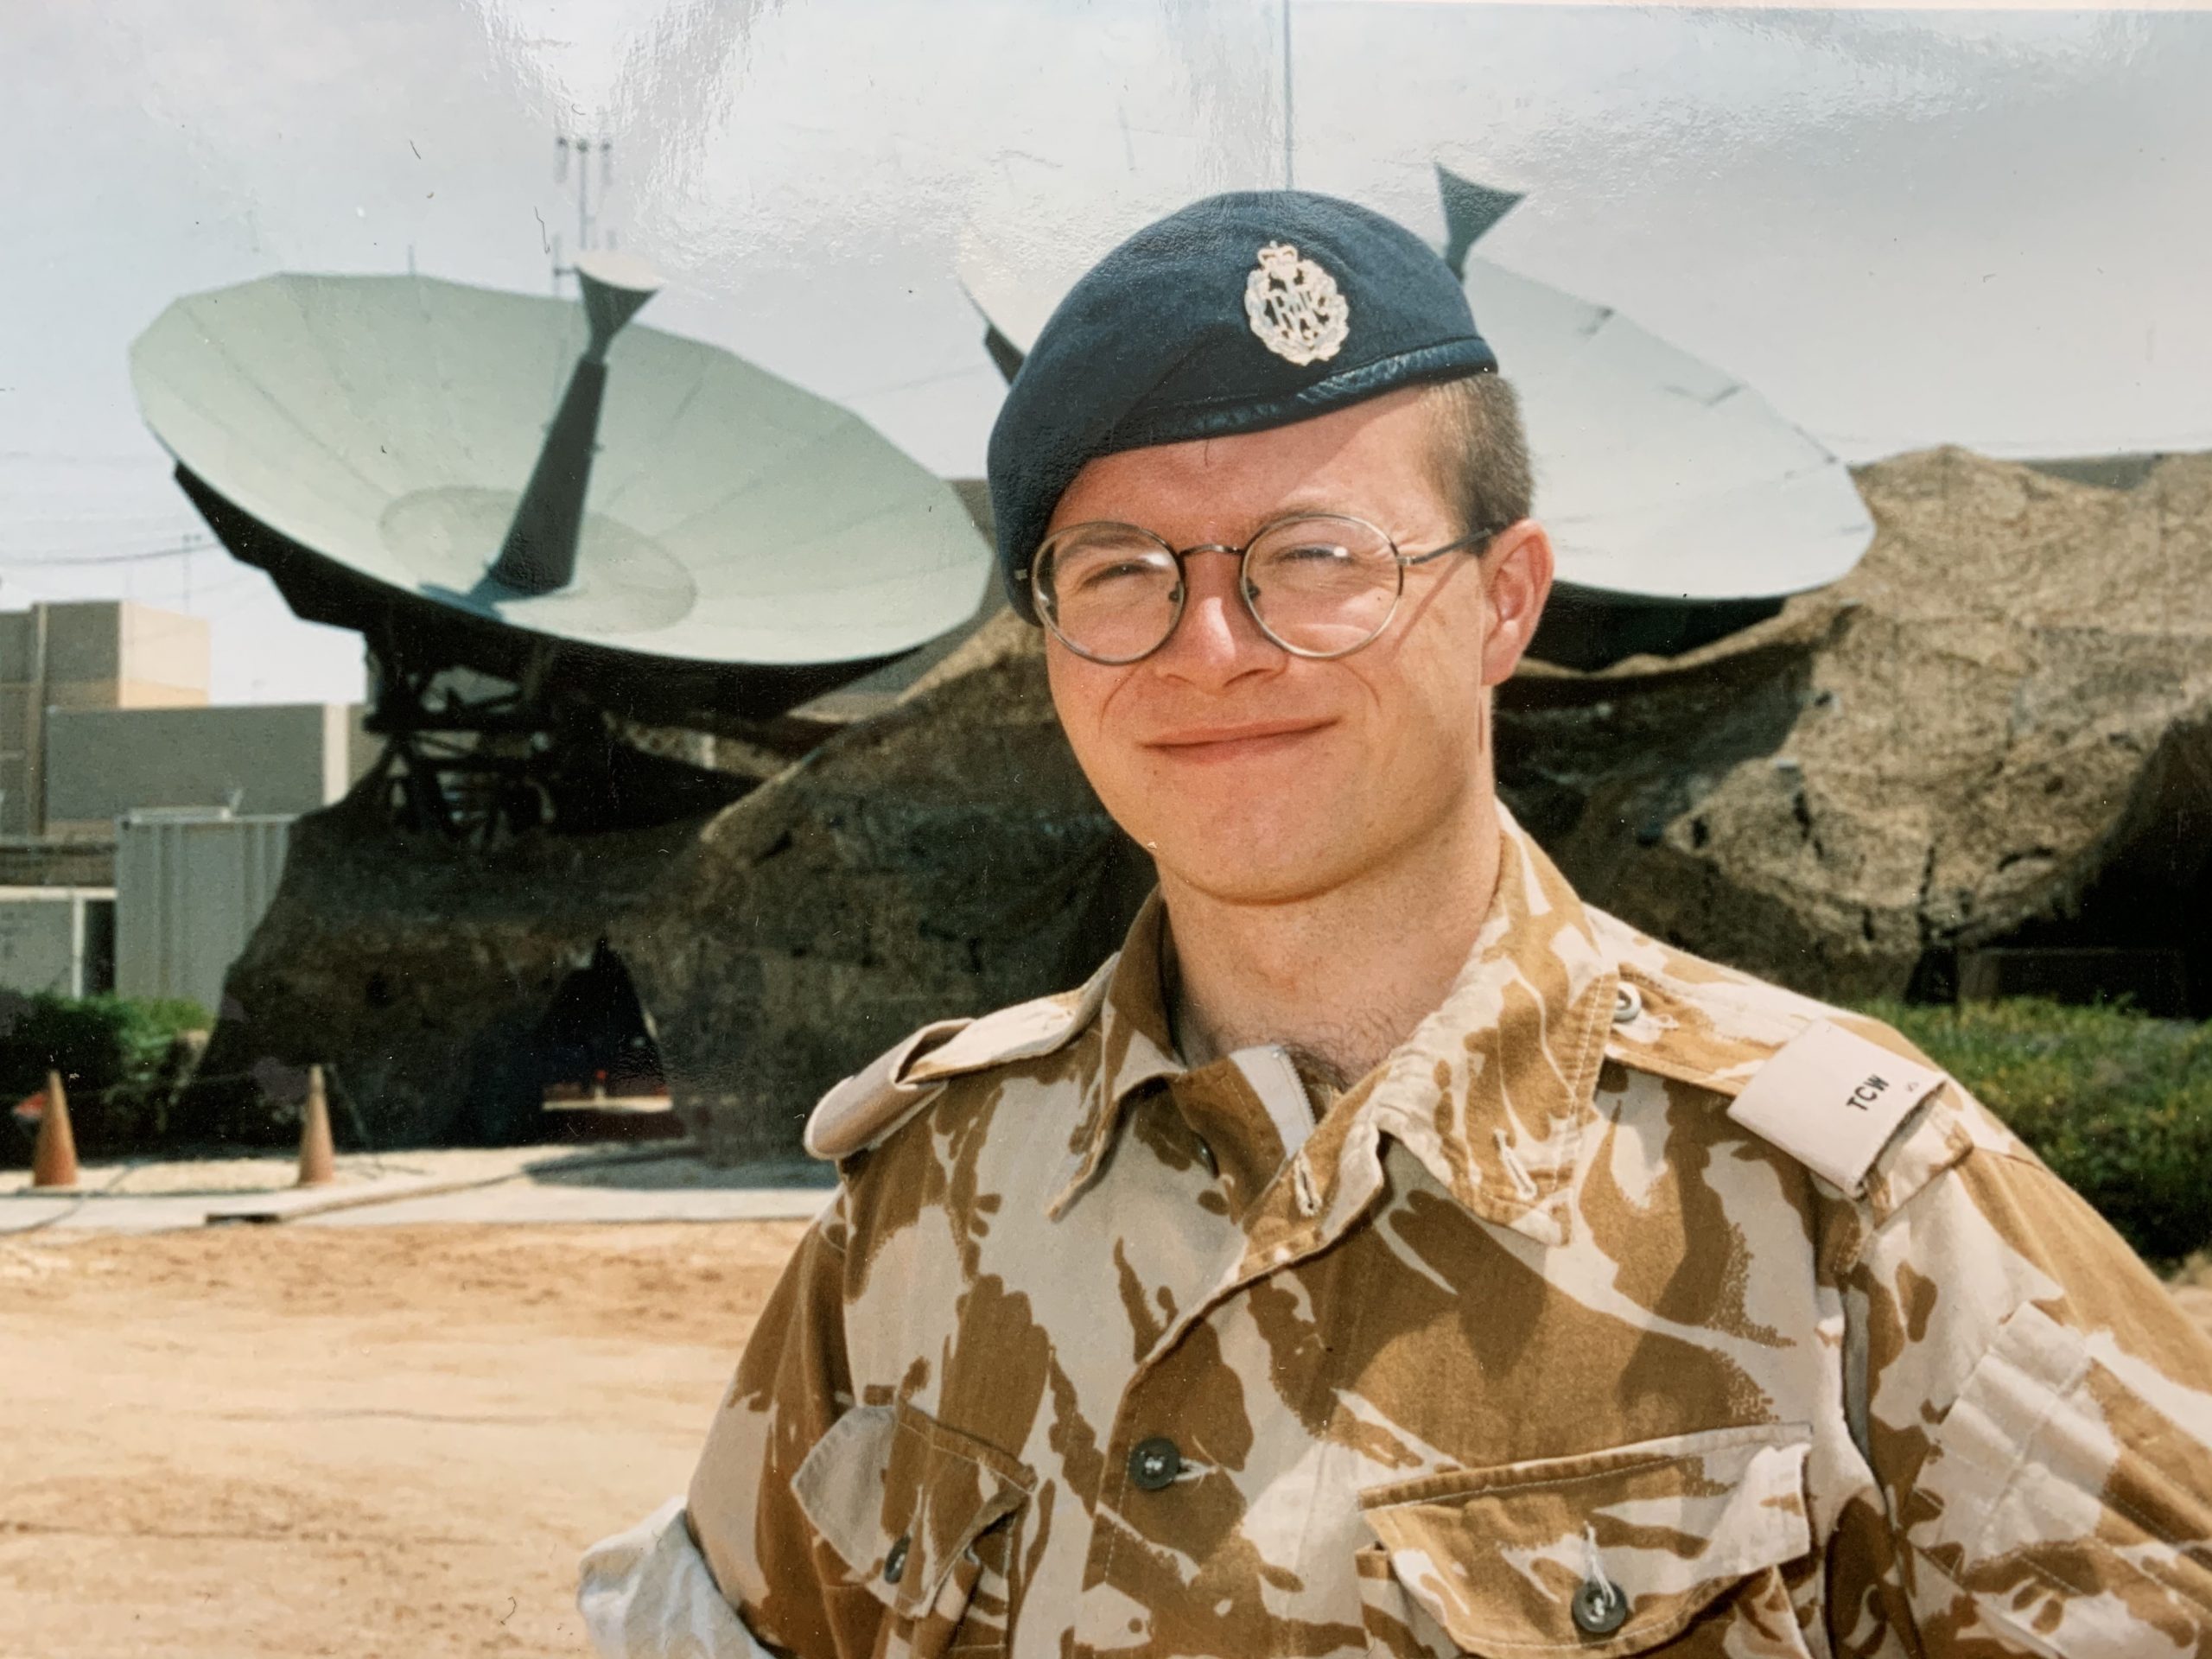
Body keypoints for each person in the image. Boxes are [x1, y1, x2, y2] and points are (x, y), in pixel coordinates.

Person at [579, 191, 2212, 1658]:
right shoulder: (923, 1205)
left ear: (1505, 599)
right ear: (1052, 638)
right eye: (1121, 570)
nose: (1213, 646)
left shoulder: (1854, 1218)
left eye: (1316, 556)